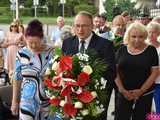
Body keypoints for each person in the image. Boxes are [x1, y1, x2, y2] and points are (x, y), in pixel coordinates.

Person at [62, 11, 116, 120]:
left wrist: (90, 83)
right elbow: (62, 67)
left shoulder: (106, 45)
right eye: (77, 26)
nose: (80, 30)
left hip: (96, 99)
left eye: (84, 26)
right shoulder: (67, 43)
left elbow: (111, 72)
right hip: (73, 98)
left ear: (92, 26)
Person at [11, 19, 55, 120]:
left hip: (49, 102)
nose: (34, 46)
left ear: (42, 38)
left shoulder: (52, 52)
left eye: (36, 42)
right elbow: (17, 79)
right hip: (27, 102)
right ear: (25, 38)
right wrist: (14, 101)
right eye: (30, 42)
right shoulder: (21, 54)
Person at [115, 22, 159, 120]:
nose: (137, 39)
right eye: (133, 36)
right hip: (124, 94)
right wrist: (122, 90)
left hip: (145, 94)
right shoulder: (121, 49)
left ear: (145, 36)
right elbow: (115, 71)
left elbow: (155, 72)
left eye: (140, 36)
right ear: (128, 36)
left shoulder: (151, 50)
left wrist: (141, 91)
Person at [146, 22, 160, 113]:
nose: (151, 34)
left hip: (158, 82)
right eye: (149, 32)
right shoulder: (144, 46)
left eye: (153, 32)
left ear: (158, 33)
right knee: (148, 108)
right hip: (145, 82)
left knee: (158, 107)